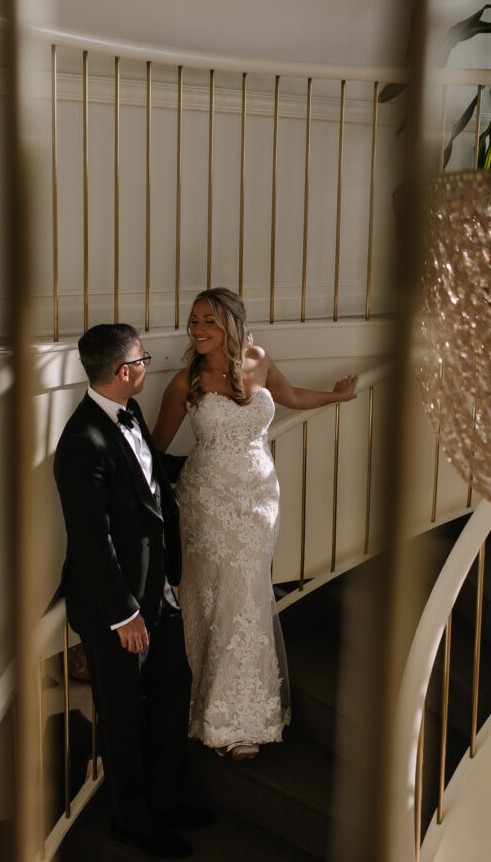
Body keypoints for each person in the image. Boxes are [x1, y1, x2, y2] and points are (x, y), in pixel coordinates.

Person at [152, 288, 358, 762]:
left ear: (231, 323)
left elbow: (289, 397)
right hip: (209, 505)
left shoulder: (258, 359)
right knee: (219, 599)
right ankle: (221, 718)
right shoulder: (186, 382)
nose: (198, 329)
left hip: (260, 501)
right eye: (194, 320)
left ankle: (245, 711)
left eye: (209, 320)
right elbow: (155, 449)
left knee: (248, 596)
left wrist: (336, 395)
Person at [53, 323, 209, 858]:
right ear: (125, 371)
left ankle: (168, 799)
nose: (148, 365)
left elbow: (147, 481)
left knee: (172, 688)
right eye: (143, 359)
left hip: (157, 589)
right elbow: (91, 540)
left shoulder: (131, 413)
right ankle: (133, 820)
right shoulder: (81, 442)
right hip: (114, 607)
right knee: (123, 713)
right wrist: (124, 616)